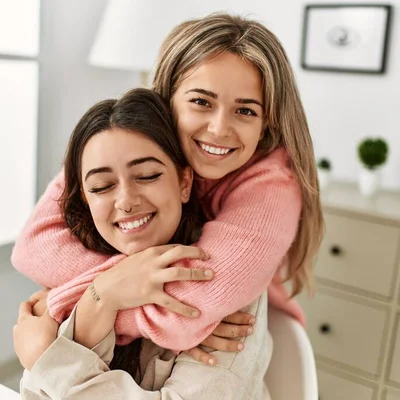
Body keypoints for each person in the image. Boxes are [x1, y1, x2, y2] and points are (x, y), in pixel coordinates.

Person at [12, 12, 324, 363]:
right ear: (166, 97)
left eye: (246, 111)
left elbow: (184, 317)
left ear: (267, 123)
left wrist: (69, 305)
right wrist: (116, 287)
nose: (219, 129)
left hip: (238, 338)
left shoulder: (272, 186)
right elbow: (32, 246)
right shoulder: (130, 137)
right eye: (202, 102)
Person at [15, 88, 272, 399]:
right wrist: (104, 292)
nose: (125, 201)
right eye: (102, 186)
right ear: (85, 199)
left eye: (147, 176)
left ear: (184, 182)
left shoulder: (222, 284)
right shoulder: (71, 277)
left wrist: (53, 358)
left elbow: (47, 377)